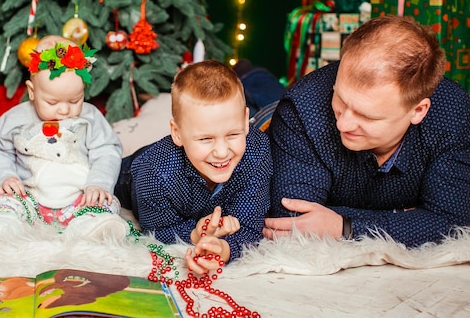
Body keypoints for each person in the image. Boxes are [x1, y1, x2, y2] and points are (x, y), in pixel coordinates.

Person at [264, 14, 470, 248]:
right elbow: (292, 222)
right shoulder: (301, 108)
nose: (344, 124)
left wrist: (345, 226)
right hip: (268, 119)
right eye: (340, 99)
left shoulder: (454, 115)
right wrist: (409, 218)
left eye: (367, 115)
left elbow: (454, 223)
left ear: (418, 111)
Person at [0, 36, 127, 239]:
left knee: (107, 203)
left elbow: (107, 151)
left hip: (80, 199)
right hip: (29, 198)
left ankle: (88, 228)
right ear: (32, 91)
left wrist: (98, 184)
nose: (65, 109)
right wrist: (4, 176)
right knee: (4, 202)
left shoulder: (90, 118)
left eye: (75, 100)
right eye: (52, 101)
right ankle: (1, 226)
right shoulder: (15, 118)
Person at [115, 60, 272, 274]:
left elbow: (250, 222)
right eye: (206, 139)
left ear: (245, 121)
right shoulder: (153, 172)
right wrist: (195, 234)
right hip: (130, 173)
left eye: (233, 134)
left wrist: (223, 248)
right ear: (177, 132)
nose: (222, 152)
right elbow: (157, 231)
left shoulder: (257, 150)